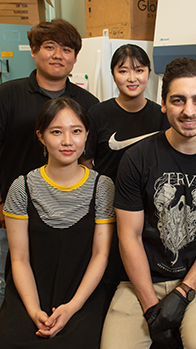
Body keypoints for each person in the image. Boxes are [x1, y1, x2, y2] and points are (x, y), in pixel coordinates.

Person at [98, 57, 196, 349]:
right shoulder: (137, 158)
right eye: (178, 100)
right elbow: (130, 236)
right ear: (163, 104)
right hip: (139, 278)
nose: (189, 111)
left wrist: (183, 293)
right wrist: (151, 305)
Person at [0, 19, 99, 313]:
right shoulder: (6, 95)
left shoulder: (88, 102)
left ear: (75, 57)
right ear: (34, 51)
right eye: (49, 47)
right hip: (16, 209)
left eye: (67, 49)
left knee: (68, 276)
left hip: (71, 211)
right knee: (12, 277)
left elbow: (89, 160)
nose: (58, 55)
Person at [0, 98, 115, 349]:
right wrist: (34, 309)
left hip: (83, 292)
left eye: (76, 130)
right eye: (56, 131)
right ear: (41, 136)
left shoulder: (103, 187)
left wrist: (72, 308)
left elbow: (100, 255)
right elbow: (19, 259)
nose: (67, 140)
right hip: (31, 289)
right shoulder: (21, 187)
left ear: (87, 135)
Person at [81, 44, 167, 293]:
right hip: (108, 206)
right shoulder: (97, 114)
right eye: (123, 71)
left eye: (139, 70)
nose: (132, 78)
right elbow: (86, 163)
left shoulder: (161, 114)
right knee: (108, 267)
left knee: (144, 265)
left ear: (148, 72)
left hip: (151, 206)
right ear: (113, 74)